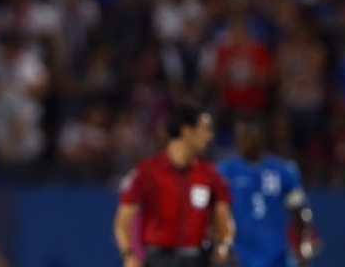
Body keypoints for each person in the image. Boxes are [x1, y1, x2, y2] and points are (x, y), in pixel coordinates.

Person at [113, 103, 235, 267]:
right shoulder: (147, 172)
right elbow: (123, 220)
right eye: (205, 130)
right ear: (186, 131)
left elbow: (223, 216)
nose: (210, 136)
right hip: (159, 260)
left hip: (197, 260)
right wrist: (128, 254)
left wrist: (223, 245)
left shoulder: (210, 175)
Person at [217, 119, 316, 267]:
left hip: (278, 256)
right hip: (240, 256)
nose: (247, 140)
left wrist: (303, 244)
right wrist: (221, 245)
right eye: (243, 135)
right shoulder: (225, 172)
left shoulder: (284, 170)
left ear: (262, 137)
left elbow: (299, 211)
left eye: (251, 134)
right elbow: (216, 213)